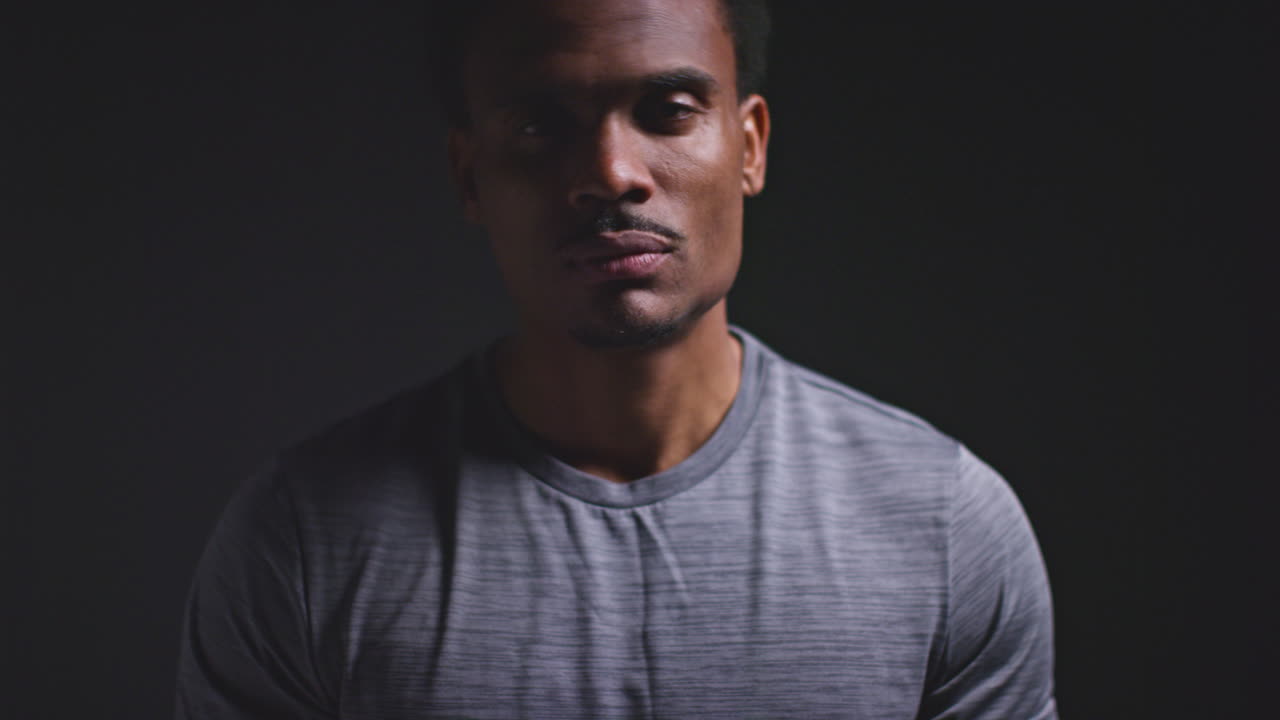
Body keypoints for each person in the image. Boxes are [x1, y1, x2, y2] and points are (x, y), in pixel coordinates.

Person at [175, 0, 1057, 717]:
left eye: (668, 111)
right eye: (539, 124)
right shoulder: (302, 542)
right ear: (469, 175)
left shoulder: (942, 525)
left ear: (748, 146)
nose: (609, 170)